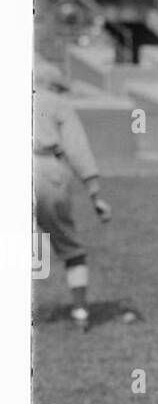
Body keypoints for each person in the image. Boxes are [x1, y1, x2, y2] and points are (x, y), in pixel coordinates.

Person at [33, 60, 111, 330]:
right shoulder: (59, 104)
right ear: (53, 85)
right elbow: (77, 150)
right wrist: (95, 194)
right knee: (71, 248)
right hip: (48, 173)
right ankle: (80, 313)